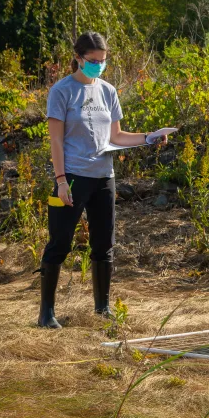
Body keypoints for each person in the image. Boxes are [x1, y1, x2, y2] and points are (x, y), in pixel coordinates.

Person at [39, 31, 173, 329]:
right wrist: (61, 180)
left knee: (104, 244)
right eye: (93, 61)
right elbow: (56, 142)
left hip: (103, 178)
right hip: (72, 177)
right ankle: (46, 313)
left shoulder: (107, 91)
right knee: (59, 243)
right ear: (78, 58)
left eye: (103, 61)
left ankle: (102, 308)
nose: (99, 66)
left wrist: (149, 138)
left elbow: (116, 136)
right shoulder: (62, 92)